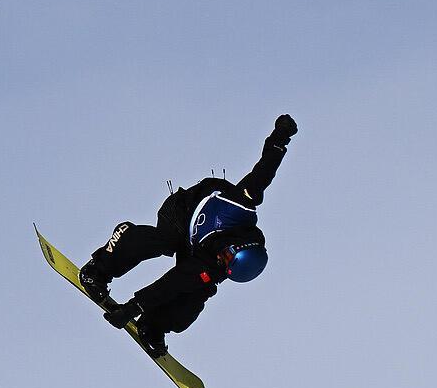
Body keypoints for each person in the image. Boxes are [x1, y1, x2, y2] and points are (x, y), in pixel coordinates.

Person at [78, 114, 297, 356]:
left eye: (226, 267)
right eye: (225, 258)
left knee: (196, 293)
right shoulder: (242, 204)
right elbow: (266, 168)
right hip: (182, 214)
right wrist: (281, 136)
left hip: (196, 250)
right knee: (164, 241)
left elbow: (176, 281)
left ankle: (153, 325)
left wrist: (133, 309)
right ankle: (98, 269)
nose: (221, 263)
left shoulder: (217, 266)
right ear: (236, 247)